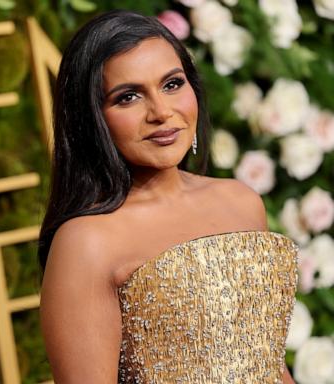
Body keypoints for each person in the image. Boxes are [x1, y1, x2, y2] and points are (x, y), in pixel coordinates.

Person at [38, 9, 298, 384]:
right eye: (128, 97)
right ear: (92, 118)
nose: (161, 112)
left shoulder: (240, 202)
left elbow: (269, 366)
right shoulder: (86, 243)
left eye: (172, 84)